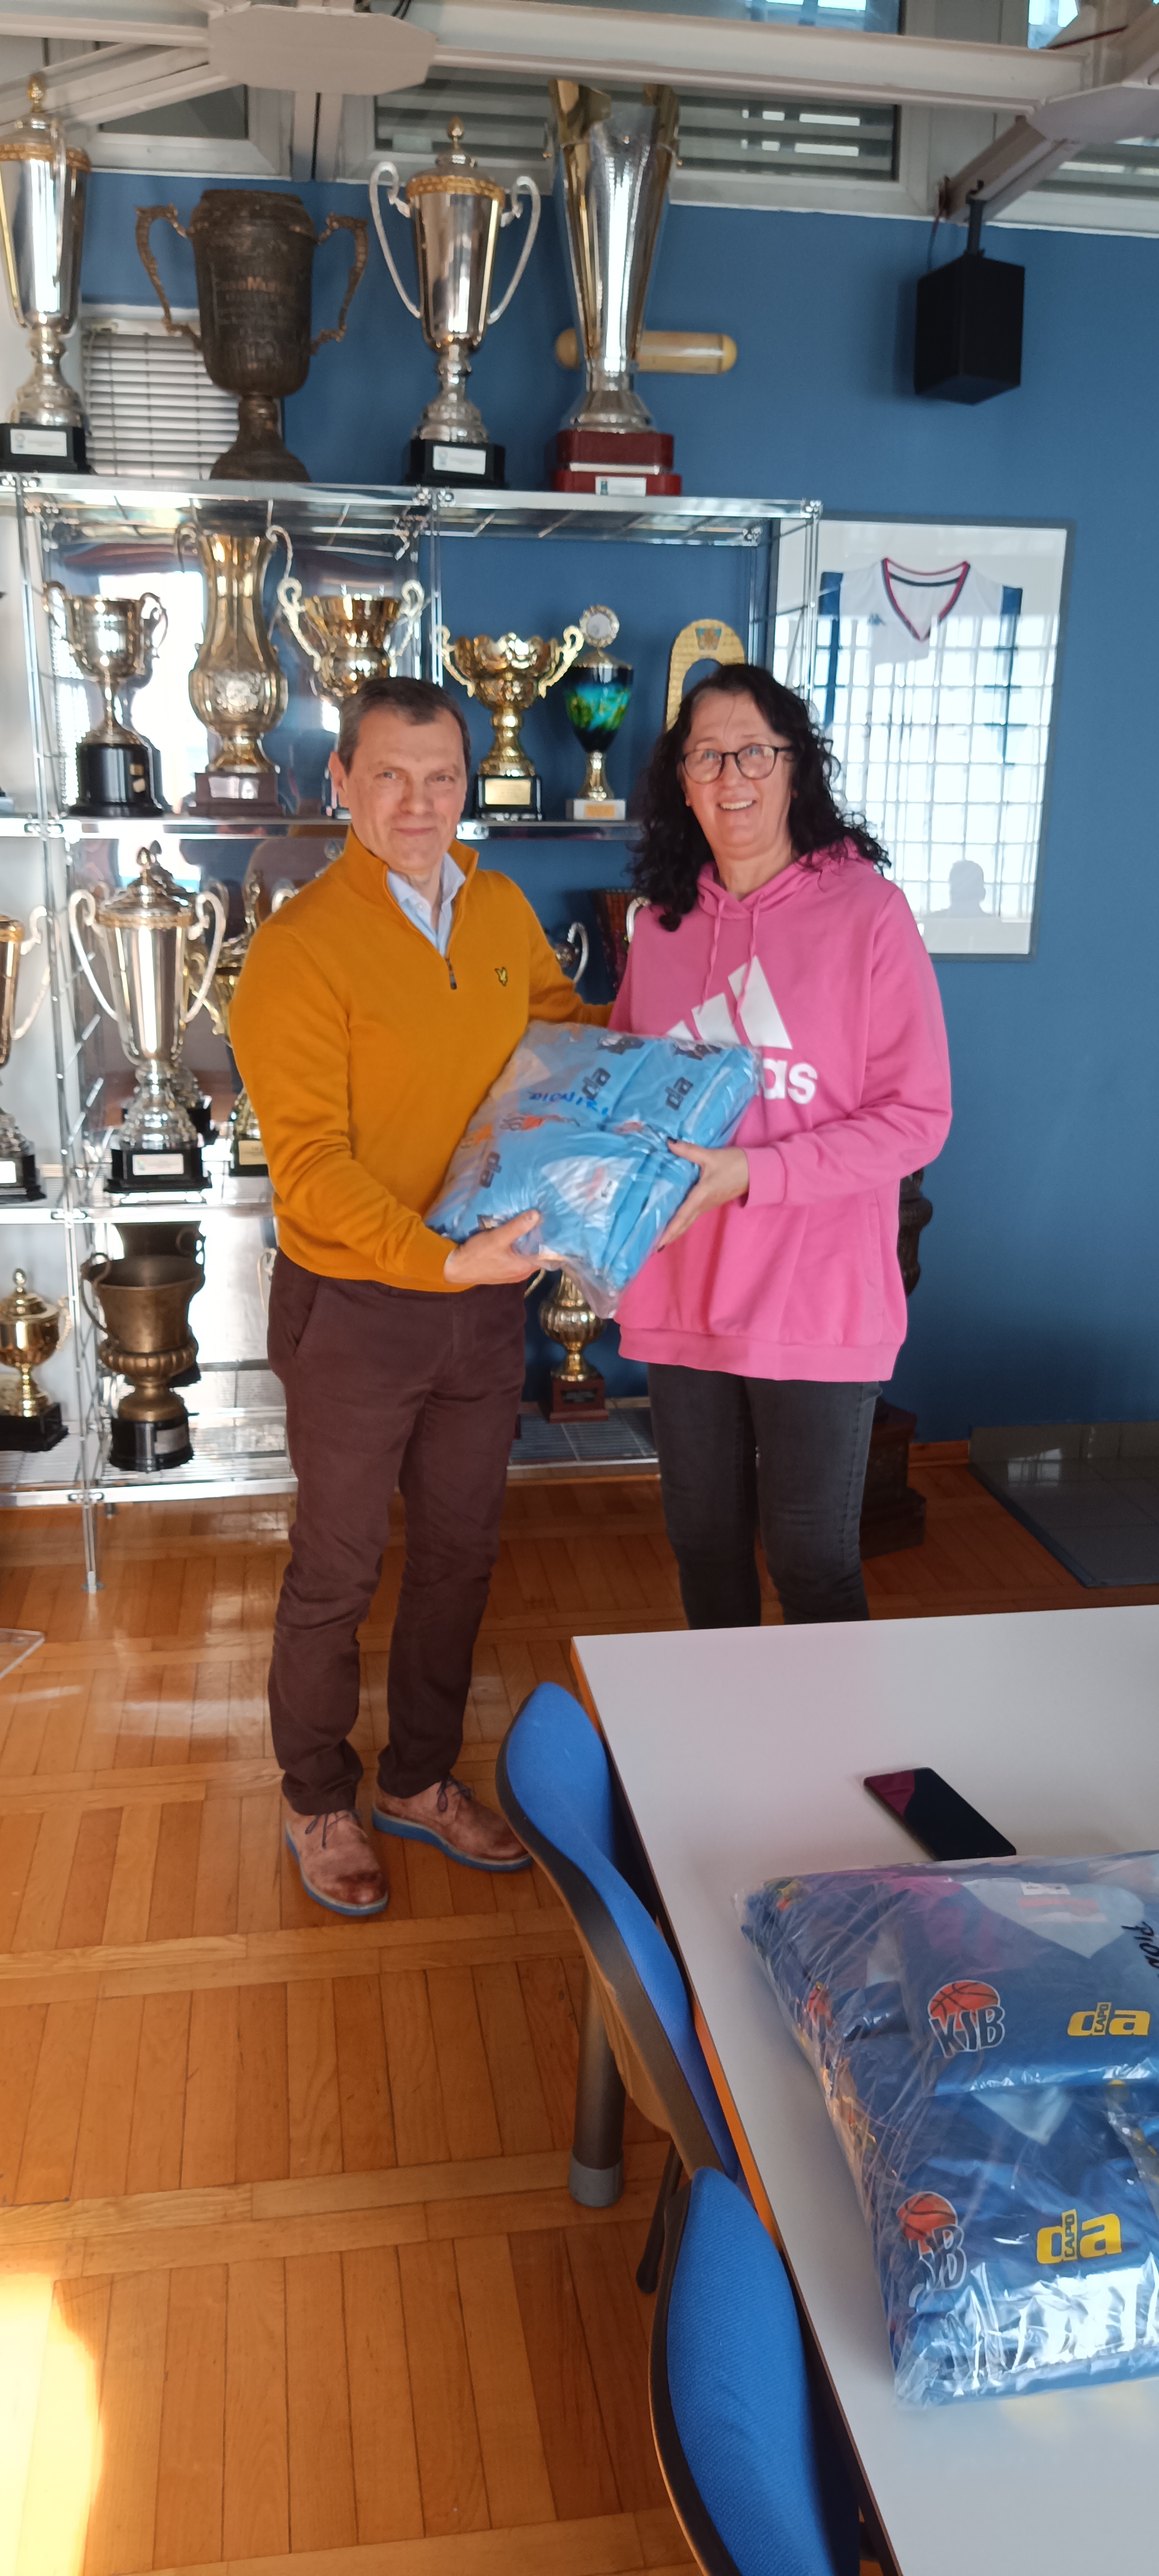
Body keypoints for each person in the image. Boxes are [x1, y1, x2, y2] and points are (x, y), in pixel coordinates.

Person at [231, 674, 606, 1916]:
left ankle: (417, 1779)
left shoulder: (497, 908)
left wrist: (669, 1050)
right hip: (356, 1307)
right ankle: (316, 1798)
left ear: (466, 785)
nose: (417, 802)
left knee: (458, 1554)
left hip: (480, 1302)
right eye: (388, 775)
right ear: (339, 779)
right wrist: (440, 1260)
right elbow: (310, 1168)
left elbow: (558, 1036)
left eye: (441, 777)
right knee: (336, 1570)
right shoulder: (297, 949)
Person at [610, 662, 952, 1629]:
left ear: (797, 767)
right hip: (685, 1292)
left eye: (755, 752)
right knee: (704, 1549)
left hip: (817, 1297)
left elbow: (917, 1117)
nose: (733, 777)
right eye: (707, 756)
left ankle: (832, 1739)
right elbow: (629, 1093)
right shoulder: (660, 926)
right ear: (682, 781)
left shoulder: (869, 915)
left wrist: (752, 1173)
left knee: (811, 1563)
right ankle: (723, 1734)